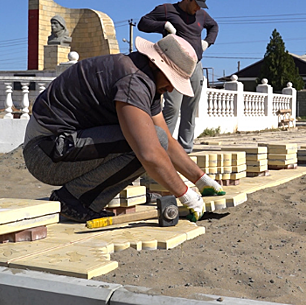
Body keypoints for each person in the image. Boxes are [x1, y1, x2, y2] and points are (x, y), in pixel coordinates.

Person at [23, 34, 225, 223]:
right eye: (172, 80)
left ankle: (80, 196)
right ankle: (75, 200)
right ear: (157, 65)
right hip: (44, 155)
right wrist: (185, 194)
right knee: (146, 143)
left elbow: (168, 142)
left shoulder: (145, 77)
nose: (171, 88)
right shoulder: (133, 81)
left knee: (157, 138)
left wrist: (200, 179)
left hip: (59, 148)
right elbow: (150, 152)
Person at [138, 0, 219, 153]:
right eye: (196, 3)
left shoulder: (201, 15)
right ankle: (163, 148)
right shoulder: (167, 10)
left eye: (201, 6)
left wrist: (207, 42)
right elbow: (142, 23)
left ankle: (185, 149)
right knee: (172, 107)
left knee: (190, 108)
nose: (198, 8)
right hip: (173, 66)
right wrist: (164, 26)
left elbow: (214, 26)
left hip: (195, 66)